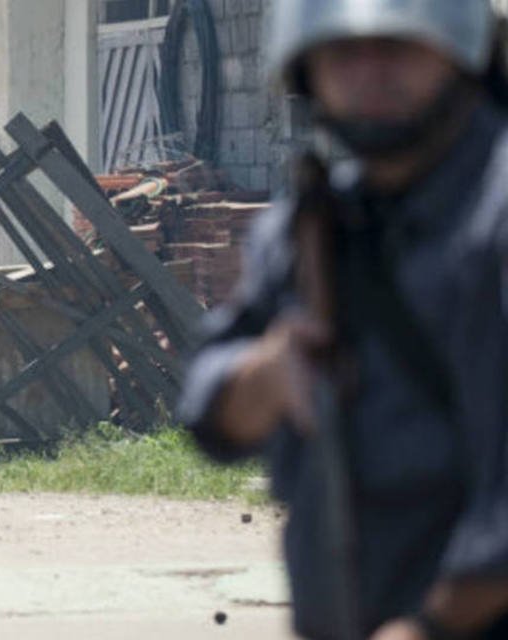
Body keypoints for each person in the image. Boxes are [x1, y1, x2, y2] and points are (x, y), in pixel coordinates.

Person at [178, 1, 508, 638]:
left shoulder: (492, 215)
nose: (370, 73)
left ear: (461, 55)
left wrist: (436, 625)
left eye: (399, 49)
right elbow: (204, 397)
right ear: (307, 72)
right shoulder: (315, 222)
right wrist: (262, 378)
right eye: (343, 54)